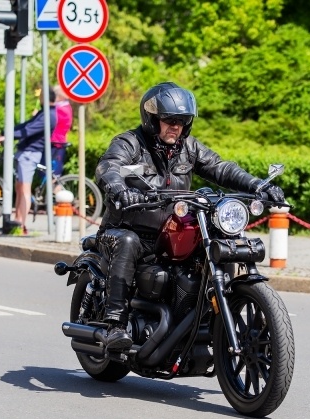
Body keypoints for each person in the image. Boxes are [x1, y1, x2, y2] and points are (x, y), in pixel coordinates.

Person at [94, 82, 286, 350]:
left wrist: (258, 186)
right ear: (152, 119)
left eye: (182, 121)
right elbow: (109, 166)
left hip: (169, 231)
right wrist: (120, 189)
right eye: (169, 120)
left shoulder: (189, 148)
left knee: (214, 243)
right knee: (128, 242)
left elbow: (221, 168)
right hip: (128, 229)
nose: (176, 126)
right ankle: (114, 324)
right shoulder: (131, 143)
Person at [0, 89, 57, 234]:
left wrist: (8, 136)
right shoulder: (44, 113)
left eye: (40, 96)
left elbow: (28, 130)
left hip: (30, 154)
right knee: (19, 187)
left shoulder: (48, 115)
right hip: (26, 152)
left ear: (44, 97)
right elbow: (26, 125)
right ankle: (17, 220)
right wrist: (6, 132)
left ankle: (21, 224)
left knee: (24, 189)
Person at [51, 85, 73, 175]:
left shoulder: (62, 109)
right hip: (55, 141)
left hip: (56, 143)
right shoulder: (62, 107)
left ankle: (56, 188)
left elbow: (51, 121)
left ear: (59, 96)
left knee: (54, 173)